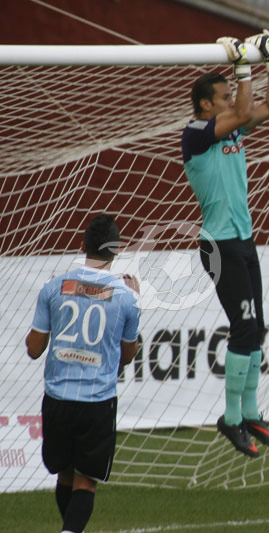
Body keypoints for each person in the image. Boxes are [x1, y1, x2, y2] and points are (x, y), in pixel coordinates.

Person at [181, 30, 269, 458]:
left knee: (255, 328)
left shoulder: (232, 129)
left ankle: (251, 413)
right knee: (242, 328)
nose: (231, 101)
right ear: (205, 104)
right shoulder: (196, 132)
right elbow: (243, 110)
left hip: (243, 240)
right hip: (219, 246)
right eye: (223, 97)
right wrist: (243, 67)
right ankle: (230, 418)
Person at [25, 214, 140, 533]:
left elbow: (33, 349)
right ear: (116, 250)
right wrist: (137, 301)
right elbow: (127, 356)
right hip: (97, 402)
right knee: (85, 482)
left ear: (82, 245)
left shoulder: (54, 287)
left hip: (57, 399)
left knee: (64, 474)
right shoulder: (126, 297)